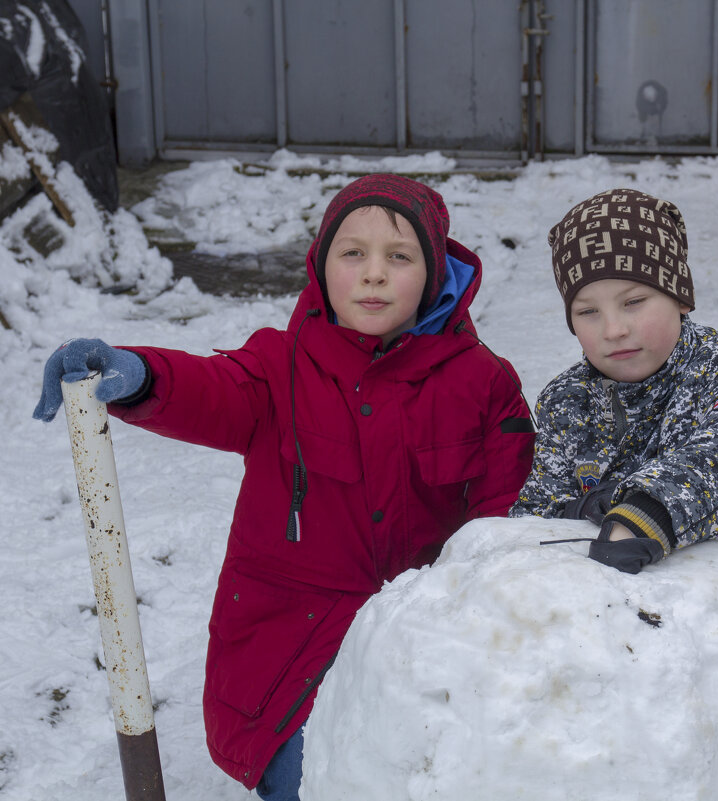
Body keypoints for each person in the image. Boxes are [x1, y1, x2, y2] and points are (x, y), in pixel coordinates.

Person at [33, 174, 536, 799]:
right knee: (314, 781)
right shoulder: (280, 367)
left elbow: (506, 520)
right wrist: (138, 374)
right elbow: (212, 390)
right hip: (293, 643)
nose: (373, 274)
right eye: (352, 253)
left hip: (421, 638)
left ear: (434, 277)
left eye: (399, 257)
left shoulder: (483, 384)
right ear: (321, 266)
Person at [510, 187, 718, 691]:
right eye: (588, 312)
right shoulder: (568, 400)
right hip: (647, 659)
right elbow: (535, 514)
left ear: (679, 295)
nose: (614, 329)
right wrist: (579, 512)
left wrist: (647, 510)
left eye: (634, 301)